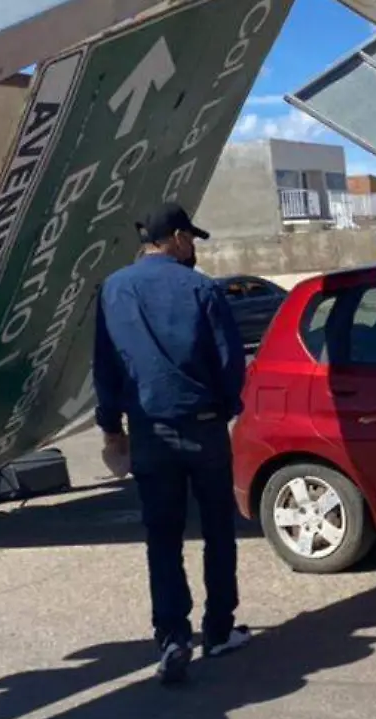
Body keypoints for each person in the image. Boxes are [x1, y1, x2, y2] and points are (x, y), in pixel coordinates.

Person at [93, 202, 252, 685]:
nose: (194, 249)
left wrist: (111, 425)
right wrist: (224, 409)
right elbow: (229, 361)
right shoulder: (201, 288)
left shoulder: (113, 289)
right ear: (177, 237)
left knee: (162, 537)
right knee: (218, 532)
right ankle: (219, 629)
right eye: (192, 240)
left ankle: (173, 636)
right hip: (202, 426)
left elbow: (105, 366)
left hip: (149, 431)